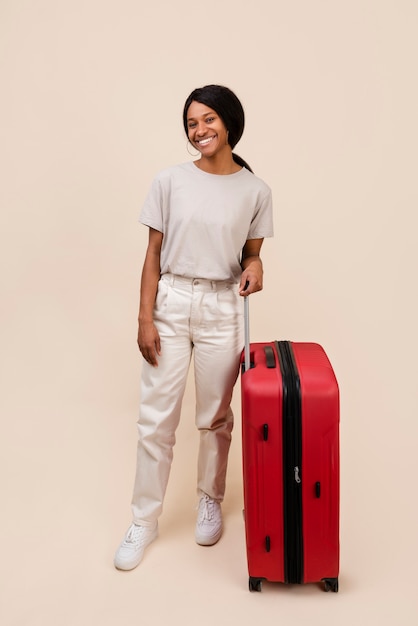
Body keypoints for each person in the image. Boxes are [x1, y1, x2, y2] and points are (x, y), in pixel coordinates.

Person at [114, 84, 273, 571]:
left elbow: (251, 254)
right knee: (156, 418)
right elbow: (152, 254)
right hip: (171, 299)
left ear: (229, 123)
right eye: (191, 123)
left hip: (222, 304)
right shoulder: (169, 181)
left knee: (215, 416)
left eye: (208, 120)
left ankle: (210, 498)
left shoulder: (256, 190)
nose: (199, 130)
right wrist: (145, 316)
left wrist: (257, 266)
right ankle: (144, 519)